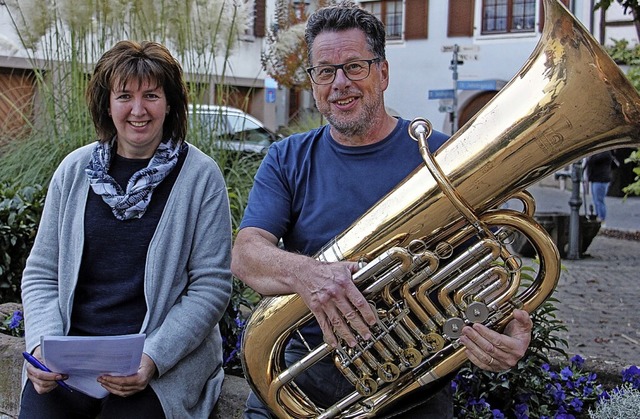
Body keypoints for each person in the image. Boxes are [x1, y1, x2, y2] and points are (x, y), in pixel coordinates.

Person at [231, 3, 533, 418]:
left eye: (354, 66)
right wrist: (310, 275)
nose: (339, 83)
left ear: (383, 73)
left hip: (414, 390)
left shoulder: (442, 158)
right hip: (304, 377)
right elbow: (246, 254)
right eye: (325, 70)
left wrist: (505, 328)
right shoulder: (287, 157)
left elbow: (491, 265)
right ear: (314, 82)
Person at [19, 40, 233, 418]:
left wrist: (152, 358)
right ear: (107, 104)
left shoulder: (201, 177)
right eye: (124, 96)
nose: (138, 110)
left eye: (151, 95)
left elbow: (211, 286)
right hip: (70, 362)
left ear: (170, 104)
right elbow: (40, 273)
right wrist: (41, 348)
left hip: (156, 364)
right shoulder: (73, 171)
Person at [584, 151, 616, 226]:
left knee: (599, 200)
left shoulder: (605, 153)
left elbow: (593, 160)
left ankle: (602, 219)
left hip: (601, 179)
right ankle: (599, 217)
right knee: (596, 200)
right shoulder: (600, 154)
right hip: (595, 179)